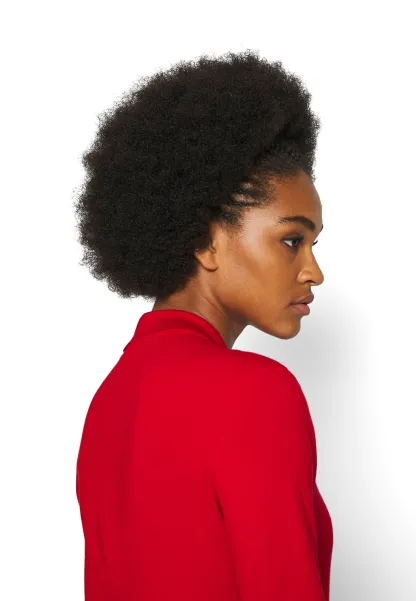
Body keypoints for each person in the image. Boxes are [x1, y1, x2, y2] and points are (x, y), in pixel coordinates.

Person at [74, 48, 333, 600]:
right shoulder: (255, 393)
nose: (314, 271)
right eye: (292, 240)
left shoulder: (109, 404)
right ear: (205, 241)